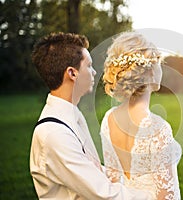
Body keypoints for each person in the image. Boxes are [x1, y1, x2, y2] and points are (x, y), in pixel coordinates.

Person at [29, 32, 152, 199]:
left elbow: (91, 169)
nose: (94, 72)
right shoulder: (54, 134)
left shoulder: (70, 116)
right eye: (89, 66)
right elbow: (103, 193)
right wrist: (152, 195)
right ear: (72, 73)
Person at [100, 32, 182, 200]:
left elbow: (114, 181)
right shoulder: (158, 129)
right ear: (150, 72)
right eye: (159, 62)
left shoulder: (108, 120)